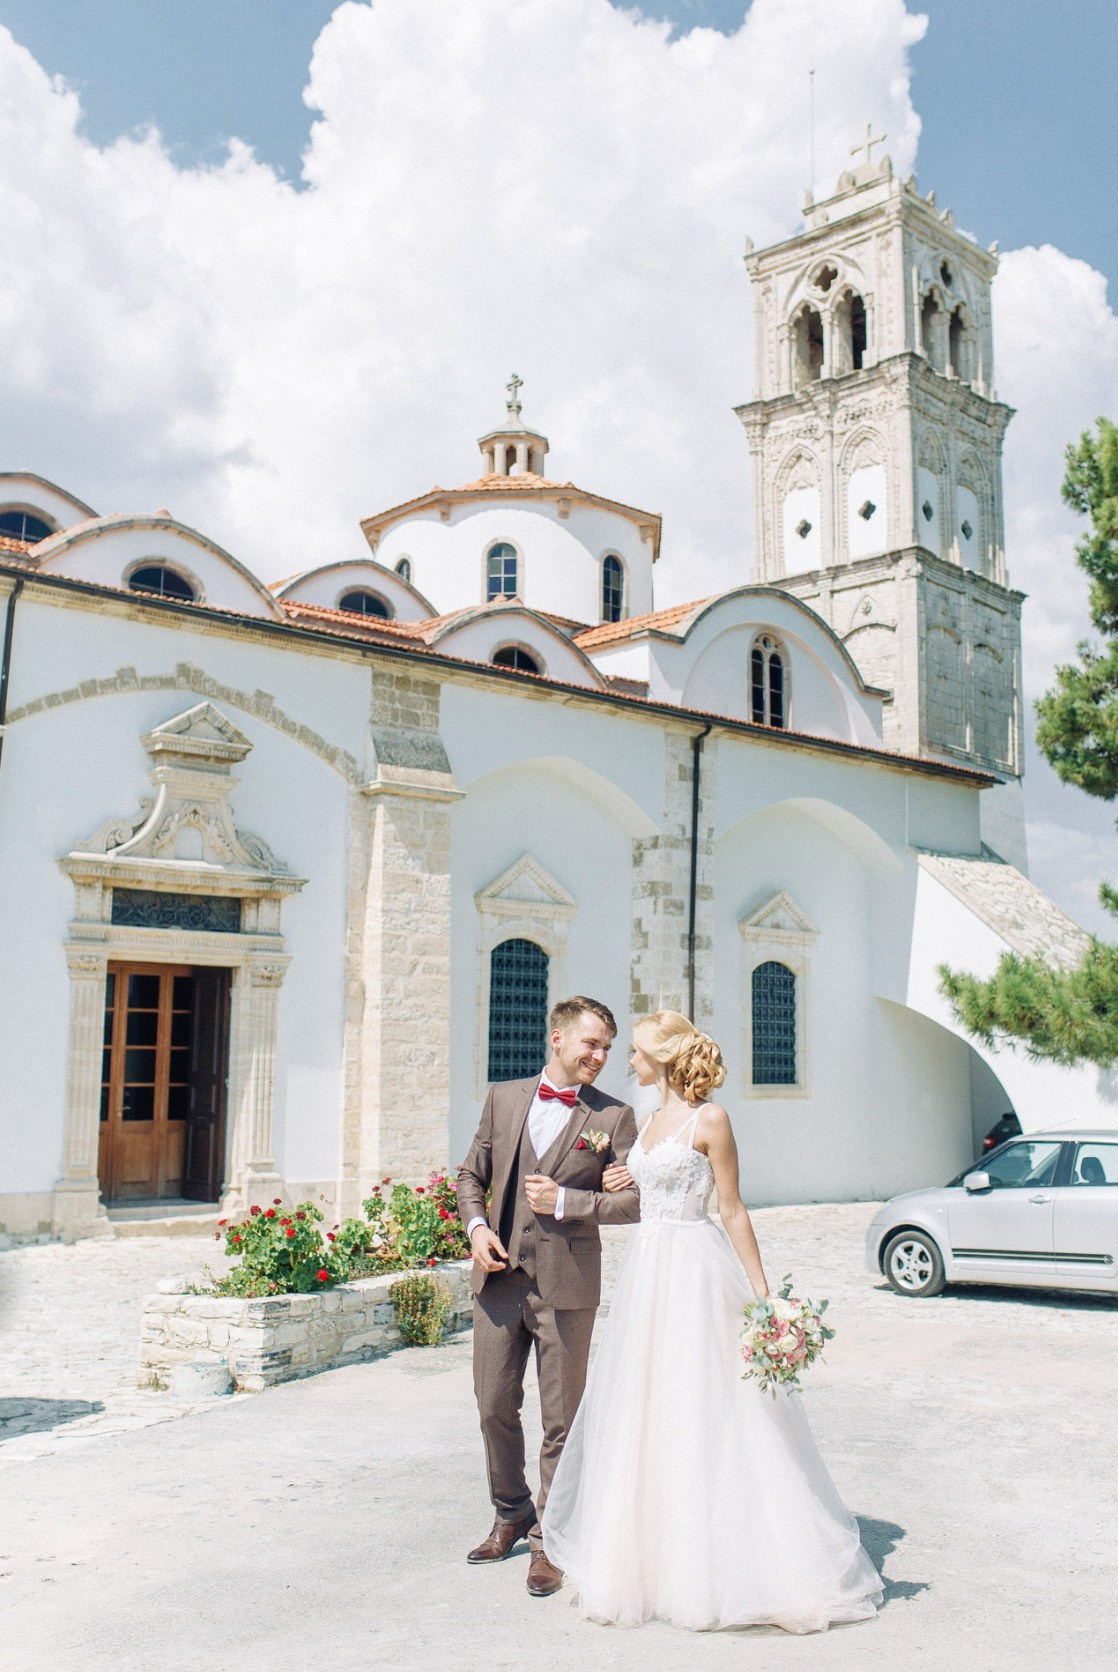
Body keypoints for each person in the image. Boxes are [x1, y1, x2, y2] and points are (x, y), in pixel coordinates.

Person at [541, 1009, 883, 1634]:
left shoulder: (712, 1119)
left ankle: (729, 1563)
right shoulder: (643, 1125)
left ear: (662, 1058)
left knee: (710, 1406)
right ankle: (650, 1561)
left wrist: (762, 1299)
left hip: (696, 1271)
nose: (629, 1063)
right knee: (647, 1408)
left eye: (637, 1053)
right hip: (647, 1274)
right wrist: (622, 1176)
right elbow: (638, 1197)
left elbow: (732, 1208)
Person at [456, 995, 639, 1598]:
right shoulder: (503, 1099)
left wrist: (571, 1200)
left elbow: (635, 1202)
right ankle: (511, 1511)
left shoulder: (614, 1118)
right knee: (492, 1404)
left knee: (562, 1420)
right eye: (591, 1044)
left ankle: (550, 1542)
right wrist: (477, 1228)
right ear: (556, 1039)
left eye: (608, 1048)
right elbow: (469, 1177)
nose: (600, 1056)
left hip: (568, 1285)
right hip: (501, 1279)